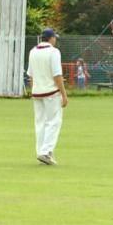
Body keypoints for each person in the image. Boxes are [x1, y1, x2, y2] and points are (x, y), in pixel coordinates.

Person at [27, 28, 68, 165]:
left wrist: (33, 90)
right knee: (54, 122)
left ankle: (41, 152)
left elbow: (31, 75)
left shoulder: (33, 51)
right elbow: (57, 75)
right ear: (51, 38)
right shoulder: (54, 52)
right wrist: (64, 94)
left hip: (37, 92)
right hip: (51, 93)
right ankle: (45, 152)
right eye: (54, 37)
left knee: (40, 123)